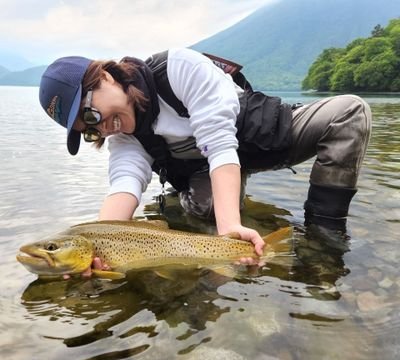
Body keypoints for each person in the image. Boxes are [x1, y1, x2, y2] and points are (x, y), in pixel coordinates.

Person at [39, 48, 372, 274]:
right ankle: (200, 206)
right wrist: (95, 249)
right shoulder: (125, 136)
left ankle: (324, 235)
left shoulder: (177, 69)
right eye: (89, 130)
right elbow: (124, 185)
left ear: (106, 77)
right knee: (206, 212)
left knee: (349, 114)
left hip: (263, 139)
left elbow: (220, 144)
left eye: (90, 113)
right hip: (204, 170)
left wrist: (230, 229)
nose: (102, 128)